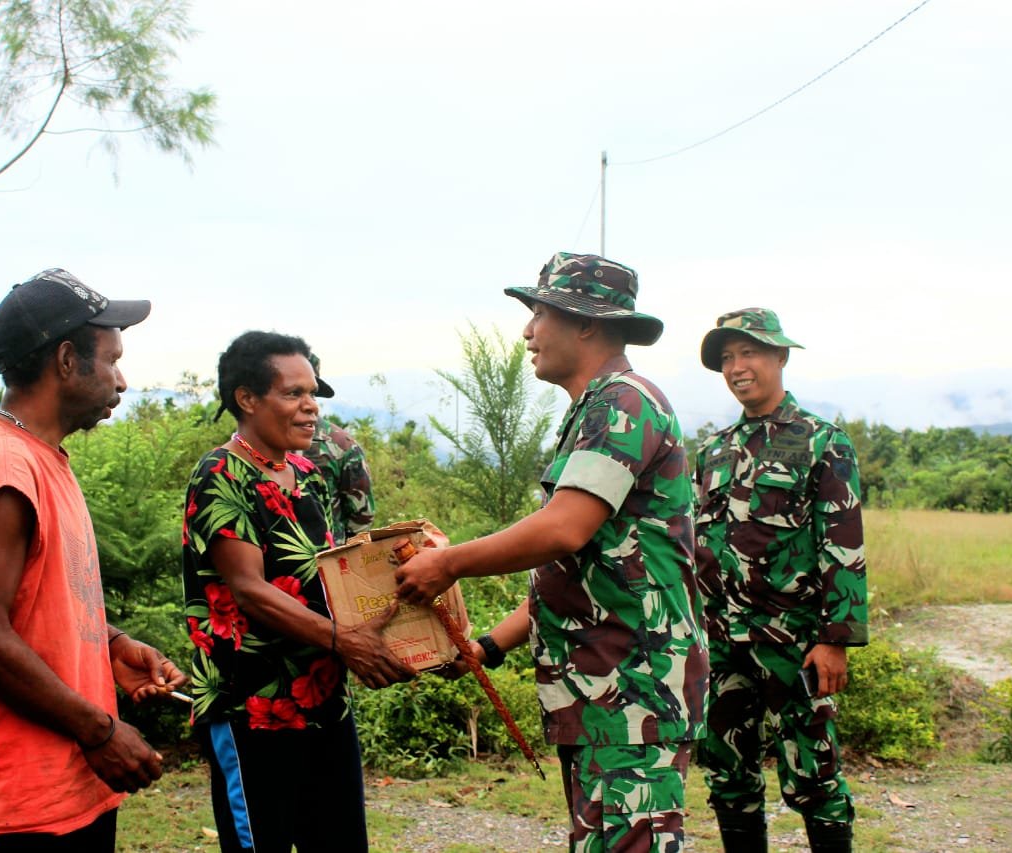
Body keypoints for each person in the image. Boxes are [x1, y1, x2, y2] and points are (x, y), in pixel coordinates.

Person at [395, 252, 708, 853]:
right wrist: (487, 645)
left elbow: (562, 528)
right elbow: (573, 567)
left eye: (538, 313)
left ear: (586, 322)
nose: (527, 332)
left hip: (632, 691)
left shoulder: (624, 401)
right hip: (603, 690)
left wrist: (448, 562)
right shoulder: (596, 408)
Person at [0, 268, 187, 851]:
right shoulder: (6, 468)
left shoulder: (39, 459)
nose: (122, 379)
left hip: (63, 785)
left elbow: (36, 602)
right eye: (111, 359)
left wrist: (110, 645)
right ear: (67, 361)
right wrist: (101, 731)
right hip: (13, 801)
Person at [181, 330, 414, 853]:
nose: (311, 408)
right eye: (294, 394)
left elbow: (329, 577)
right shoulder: (220, 474)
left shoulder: (305, 472)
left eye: (313, 393)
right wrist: (348, 642)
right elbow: (250, 590)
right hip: (255, 709)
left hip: (324, 701)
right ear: (247, 398)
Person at [693, 308, 869, 853]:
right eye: (727, 358)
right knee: (727, 774)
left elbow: (842, 545)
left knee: (814, 775)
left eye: (748, 353)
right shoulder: (712, 452)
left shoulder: (822, 442)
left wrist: (834, 639)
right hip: (722, 643)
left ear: (780, 357)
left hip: (795, 642)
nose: (737, 367)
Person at [302, 352, 376, 544]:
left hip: (328, 560)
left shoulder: (341, 446)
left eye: (308, 392)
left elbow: (361, 517)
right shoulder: (254, 444)